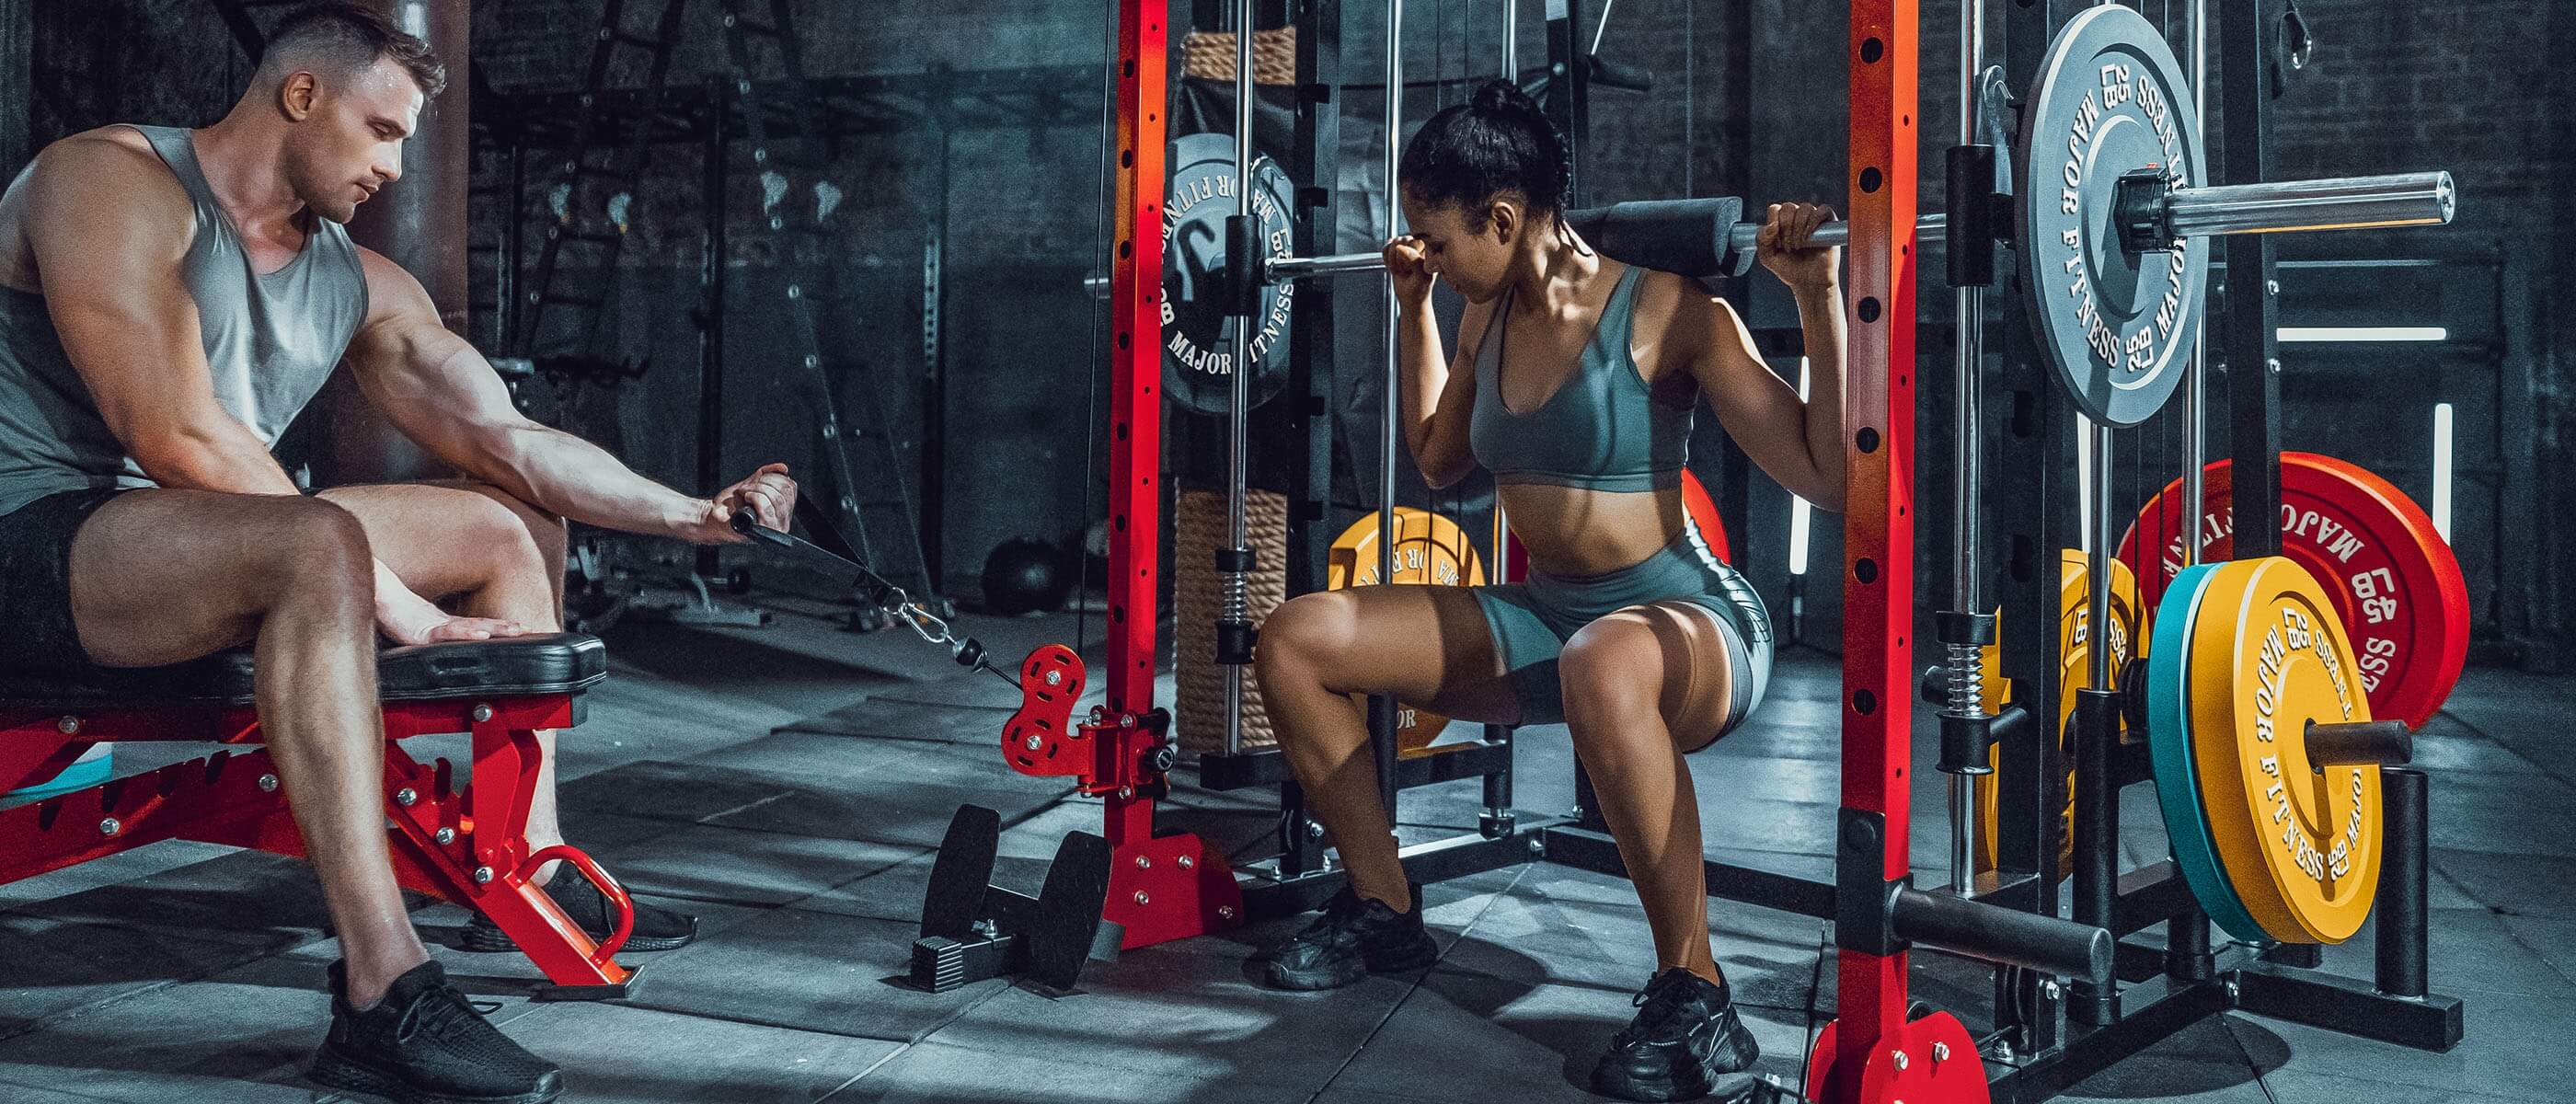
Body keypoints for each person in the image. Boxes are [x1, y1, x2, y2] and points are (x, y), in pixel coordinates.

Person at [0, 5, 795, 1100]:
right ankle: (383, 990)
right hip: (38, 540)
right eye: (382, 131)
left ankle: (524, 864)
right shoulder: (107, 181)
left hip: (201, 543)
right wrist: (402, 610)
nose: (396, 163)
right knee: (313, 539)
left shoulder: (355, 281)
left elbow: (505, 438)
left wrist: (693, 514)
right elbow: (169, 431)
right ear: (301, 96)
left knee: (504, 517)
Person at [1252, 80, 1846, 1102]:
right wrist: (1414, 308)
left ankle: (1697, 993)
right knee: (1298, 639)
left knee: (1601, 661)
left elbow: (1827, 474)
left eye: (1436, 243)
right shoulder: (1480, 315)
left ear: (1502, 217)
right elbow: (1439, 461)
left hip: (1688, 619)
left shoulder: (1671, 312)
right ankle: (1385, 908)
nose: (1425, 255)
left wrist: (1814, 297)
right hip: (1550, 624)